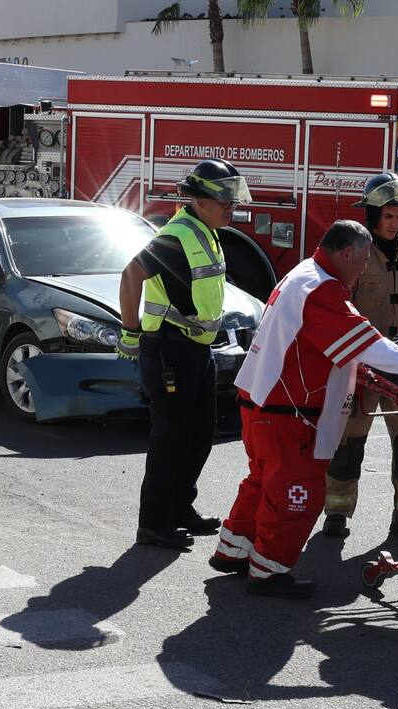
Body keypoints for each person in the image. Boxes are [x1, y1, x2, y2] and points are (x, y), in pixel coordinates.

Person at [210, 221, 398, 598]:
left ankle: (234, 550)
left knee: (263, 480)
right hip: (288, 409)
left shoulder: (303, 273)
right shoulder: (322, 289)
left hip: (261, 399)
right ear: (346, 253)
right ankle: (268, 570)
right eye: (363, 261)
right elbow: (366, 343)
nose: (364, 269)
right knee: (296, 491)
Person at [117, 158, 251, 550]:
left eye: (232, 200)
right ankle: (153, 523)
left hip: (195, 349)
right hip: (169, 349)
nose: (230, 208)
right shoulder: (177, 235)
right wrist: (130, 332)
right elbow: (131, 275)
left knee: (199, 434)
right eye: (224, 201)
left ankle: (179, 507)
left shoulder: (206, 231)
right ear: (199, 200)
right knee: (171, 438)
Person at [322, 173, 398, 542]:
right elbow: (338, 307)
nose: (394, 223)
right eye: (388, 216)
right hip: (361, 366)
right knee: (348, 443)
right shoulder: (355, 252)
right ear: (373, 215)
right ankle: (336, 512)